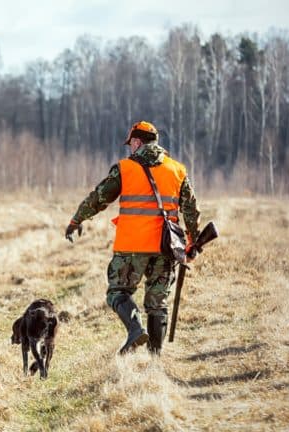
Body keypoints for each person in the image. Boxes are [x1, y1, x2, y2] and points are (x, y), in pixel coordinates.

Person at [65, 121, 200, 355]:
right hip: (166, 247)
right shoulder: (178, 170)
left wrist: (77, 220)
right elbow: (191, 210)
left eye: (131, 144)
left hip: (131, 247)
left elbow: (99, 198)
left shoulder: (125, 168)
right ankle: (154, 361)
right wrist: (192, 243)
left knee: (118, 292)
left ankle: (135, 330)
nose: (130, 148)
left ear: (137, 142)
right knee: (157, 303)